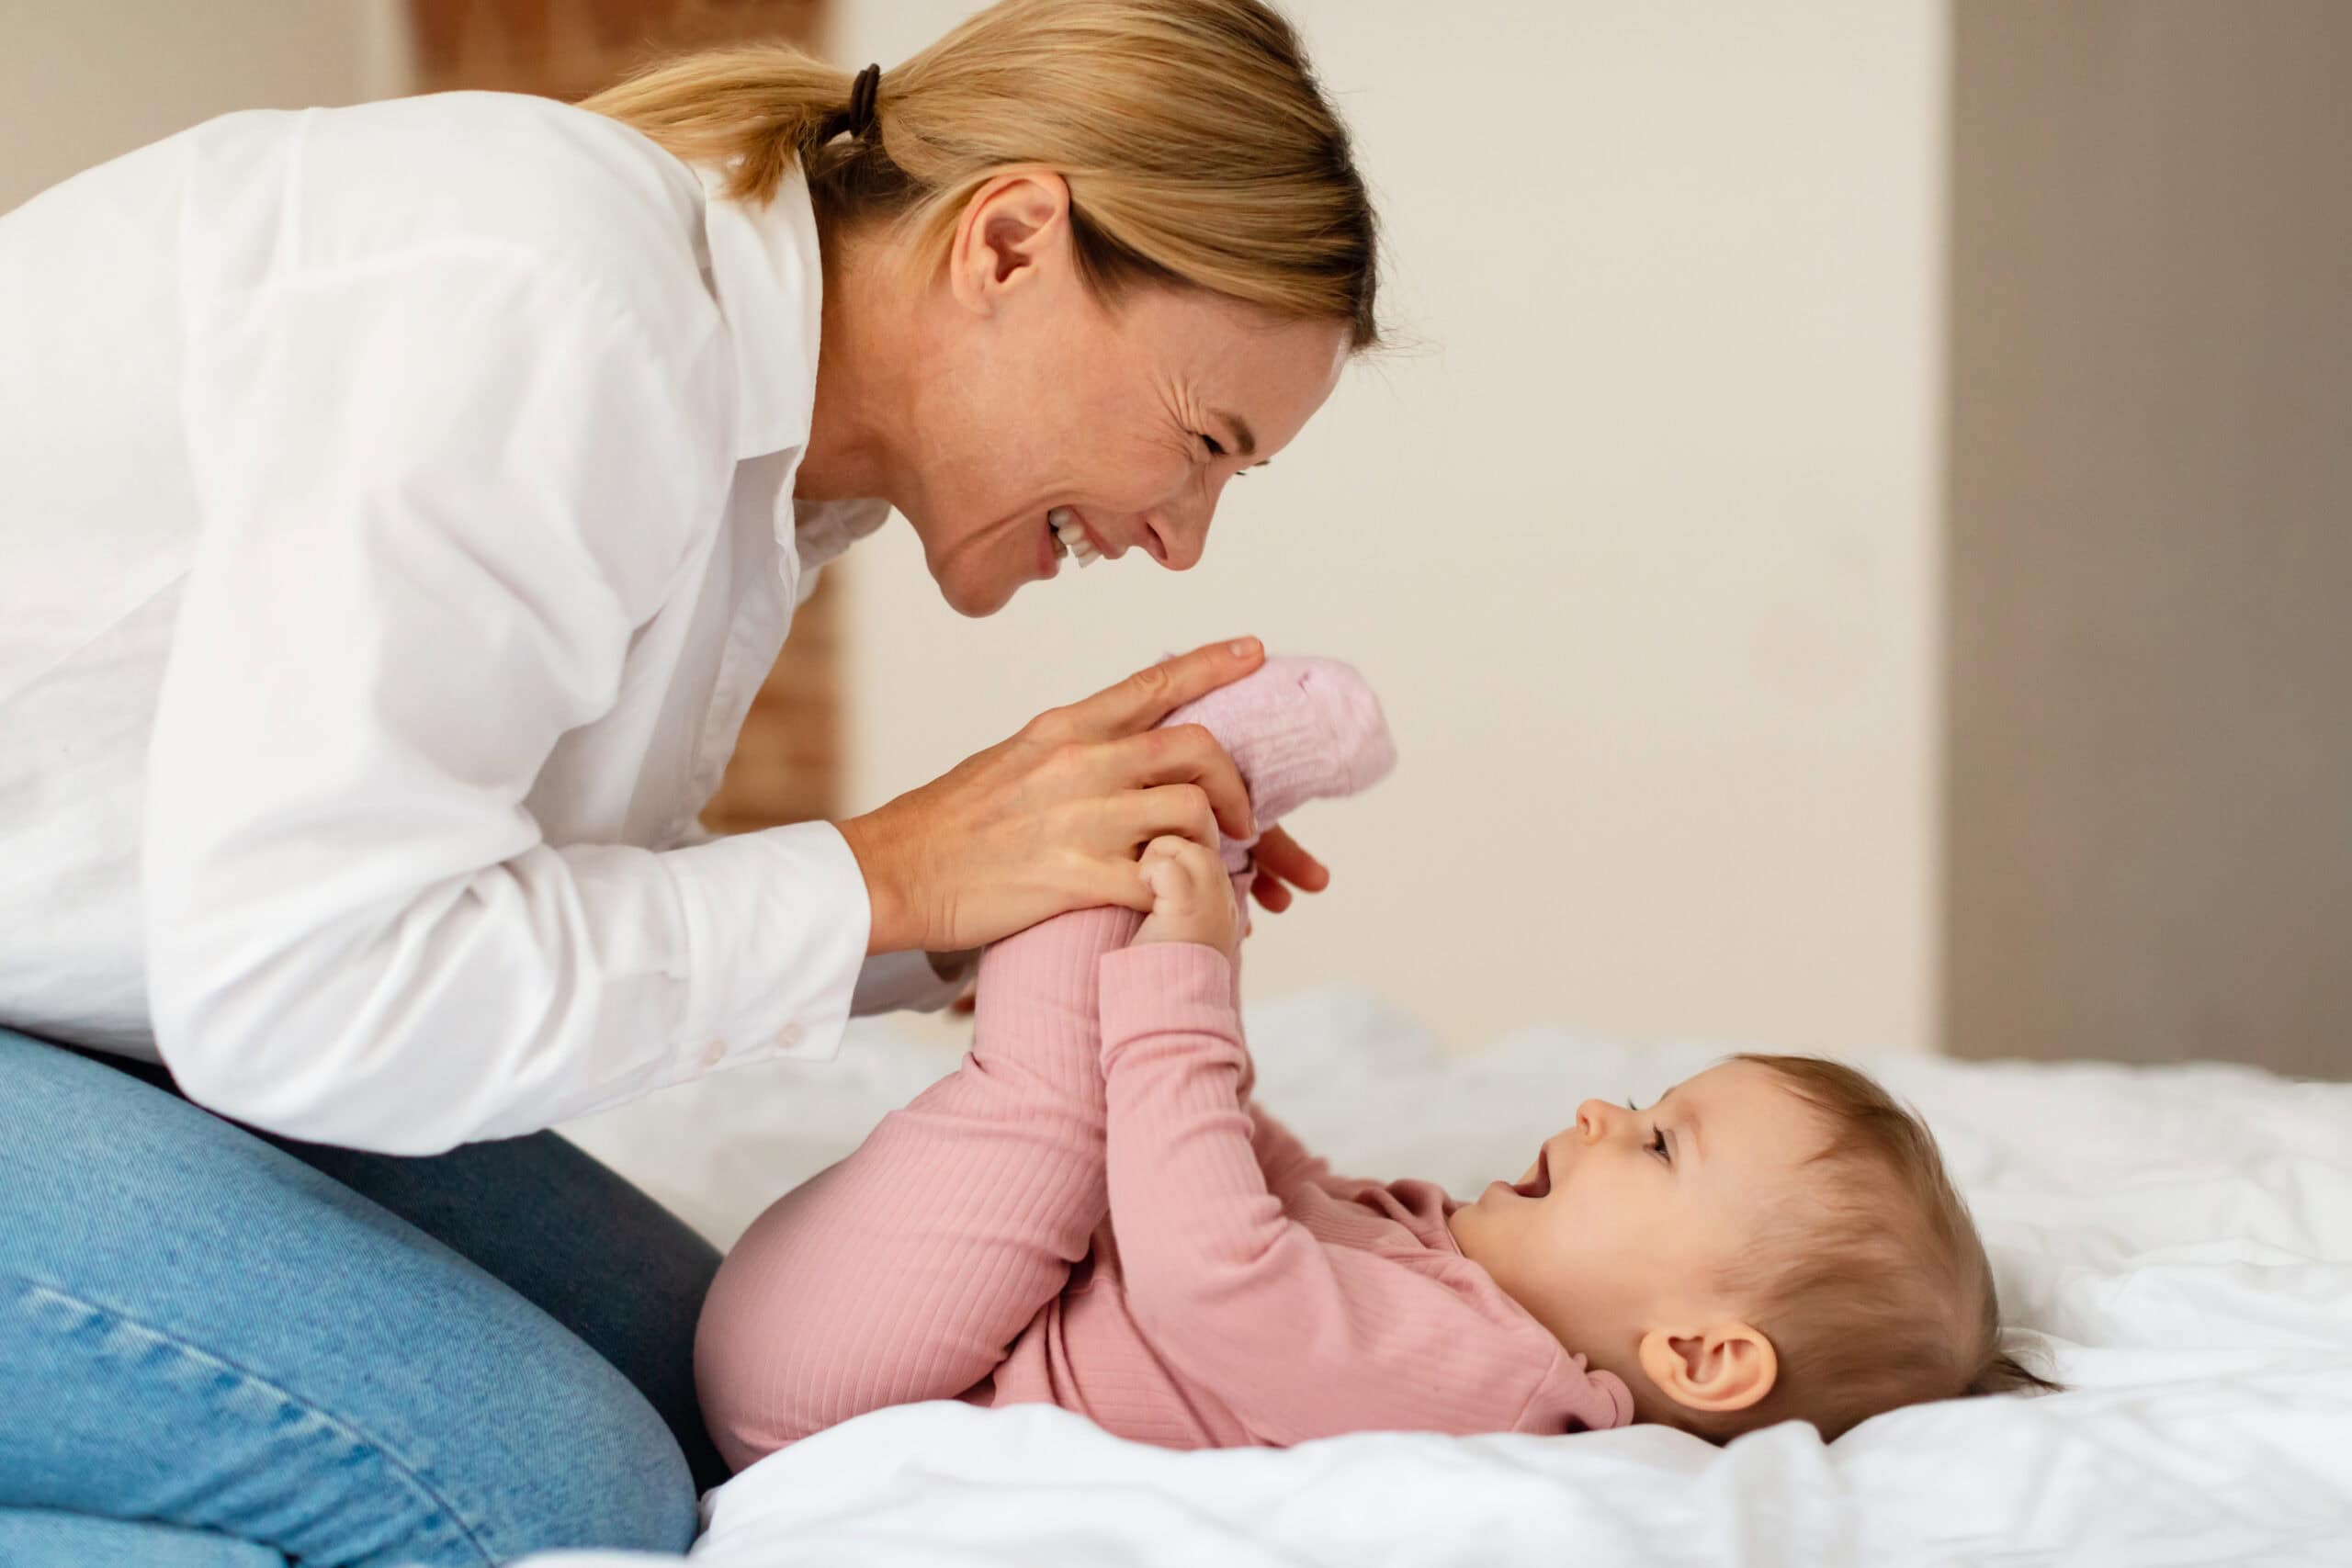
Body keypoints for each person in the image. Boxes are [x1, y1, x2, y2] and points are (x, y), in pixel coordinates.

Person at [0, 2, 1379, 1561]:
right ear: (1007, 245)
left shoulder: (761, 462)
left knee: (705, 1399)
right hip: (168, 1016)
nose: (1180, 536)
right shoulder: (556, 308)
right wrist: (892, 867)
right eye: (1203, 442)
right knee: (543, 1503)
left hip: (108, 1008)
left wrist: (986, 903)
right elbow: (301, 995)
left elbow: (465, 899)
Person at [697, 659, 2061, 1461]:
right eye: (1641, 1105)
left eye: (1656, 1142)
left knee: (1059, 1109)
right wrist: (1192, 1002)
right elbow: (1246, 1174)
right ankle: (1166, 814)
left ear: (1699, 1355)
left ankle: (1171, 790)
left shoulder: (1496, 1385)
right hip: (898, 1325)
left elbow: (1216, 1277)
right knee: (1115, 1109)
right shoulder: (1457, 1280)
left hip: (845, 1385)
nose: (1599, 1108)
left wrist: (1187, 981)